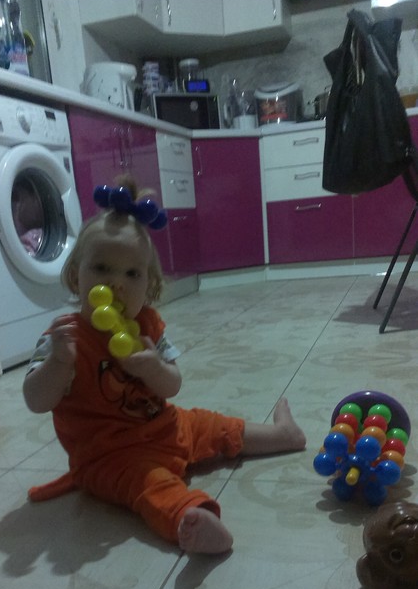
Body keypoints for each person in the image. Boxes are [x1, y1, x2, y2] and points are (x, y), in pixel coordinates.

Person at [23, 176, 306, 555]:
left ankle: (283, 435)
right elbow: (36, 400)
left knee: (213, 425)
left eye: (132, 274)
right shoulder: (63, 338)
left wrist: (152, 367)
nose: (117, 284)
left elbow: (172, 384)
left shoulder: (149, 326)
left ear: (150, 285)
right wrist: (59, 363)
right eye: (102, 268)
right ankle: (190, 516)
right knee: (147, 482)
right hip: (108, 456)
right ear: (77, 276)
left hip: (166, 427)